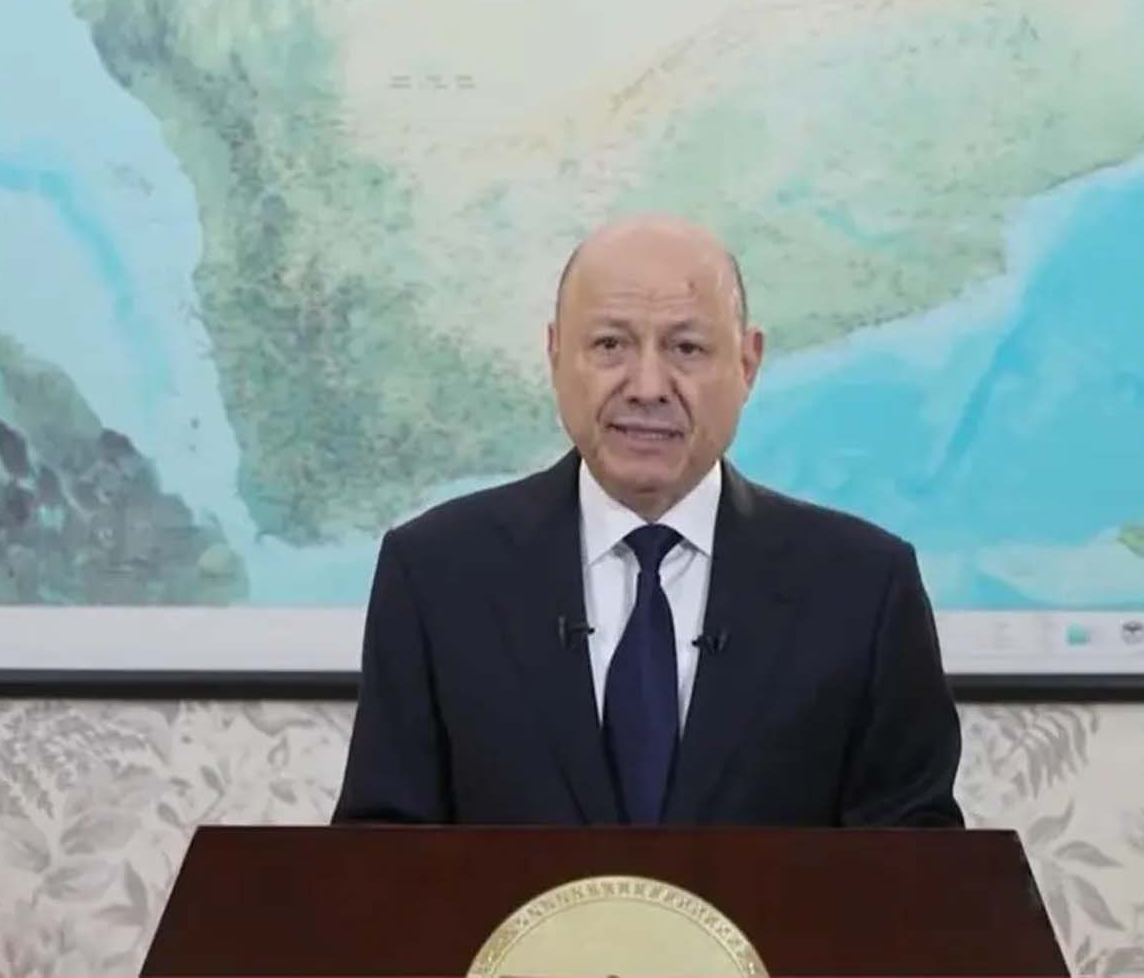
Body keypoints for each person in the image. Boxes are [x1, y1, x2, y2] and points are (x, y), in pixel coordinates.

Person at [331, 212, 963, 827]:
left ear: (747, 364)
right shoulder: (437, 573)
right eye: (610, 345)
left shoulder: (864, 588)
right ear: (555, 354)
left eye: (686, 348)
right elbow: (379, 857)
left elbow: (917, 871)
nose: (648, 386)